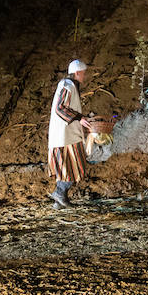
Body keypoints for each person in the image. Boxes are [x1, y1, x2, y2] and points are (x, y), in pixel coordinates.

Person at [47, 60, 92, 208]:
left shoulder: (68, 85)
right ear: (78, 73)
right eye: (83, 73)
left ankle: (58, 201)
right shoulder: (68, 85)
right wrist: (79, 118)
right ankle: (60, 192)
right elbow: (60, 108)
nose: (84, 76)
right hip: (65, 135)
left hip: (66, 134)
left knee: (68, 166)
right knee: (73, 165)